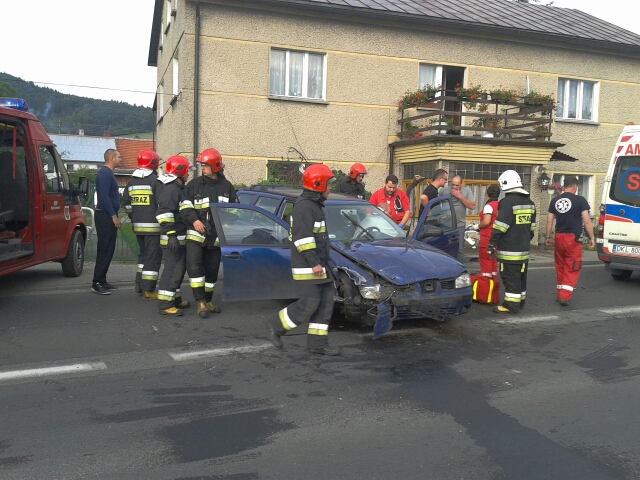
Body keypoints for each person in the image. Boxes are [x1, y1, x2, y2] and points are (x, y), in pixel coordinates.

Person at [266, 164, 339, 355]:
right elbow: (303, 239)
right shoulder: (305, 207)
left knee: (324, 306)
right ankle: (276, 325)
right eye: (328, 184)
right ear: (318, 184)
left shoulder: (314, 205)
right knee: (309, 304)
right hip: (309, 267)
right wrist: (314, 263)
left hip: (320, 266)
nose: (330, 187)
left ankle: (317, 345)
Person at [180, 147, 238, 318]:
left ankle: (208, 301)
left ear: (215, 166)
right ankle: (200, 302)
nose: (202, 168)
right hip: (196, 234)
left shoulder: (227, 186)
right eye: (201, 165)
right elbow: (184, 206)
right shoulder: (194, 185)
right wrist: (195, 220)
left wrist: (226, 224)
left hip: (216, 237)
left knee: (212, 271)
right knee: (195, 267)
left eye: (205, 165)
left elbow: (235, 210)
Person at [488, 170, 536, 314]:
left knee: (509, 277)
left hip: (509, 250)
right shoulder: (530, 203)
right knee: (521, 277)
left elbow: (499, 227)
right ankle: (519, 302)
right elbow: (532, 229)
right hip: (523, 250)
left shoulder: (506, 203)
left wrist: (491, 244)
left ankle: (510, 305)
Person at [545, 176, 595, 306]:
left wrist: (548, 237)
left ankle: (560, 292)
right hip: (572, 238)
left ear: (563, 186)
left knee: (560, 265)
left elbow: (549, 220)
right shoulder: (580, 200)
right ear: (575, 186)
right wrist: (592, 237)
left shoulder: (555, 200)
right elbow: (586, 220)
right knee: (572, 265)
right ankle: (564, 296)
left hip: (559, 236)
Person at [122, 150, 162, 299]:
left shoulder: (132, 182)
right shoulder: (155, 181)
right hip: (154, 229)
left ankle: (139, 284)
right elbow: (161, 203)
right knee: (152, 259)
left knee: (143, 257)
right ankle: (149, 290)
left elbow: (125, 204)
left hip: (138, 227)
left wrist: (134, 217)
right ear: (153, 163)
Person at [156, 155, 191, 316]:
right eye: (187, 171)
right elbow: (164, 213)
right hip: (173, 239)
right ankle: (165, 304)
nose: (189, 174)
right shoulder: (171, 189)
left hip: (178, 238)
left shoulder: (177, 188)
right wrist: (171, 235)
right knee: (172, 270)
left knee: (178, 270)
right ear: (180, 171)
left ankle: (175, 300)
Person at [91, 149, 122, 295]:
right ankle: (96, 282)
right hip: (104, 216)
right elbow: (104, 197)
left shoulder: (109, 173)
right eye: (119, 157)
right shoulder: (104, 173)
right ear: (111, 158)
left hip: (107, 215)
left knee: (109, 249)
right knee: (104, 249)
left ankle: (102, 280)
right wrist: (113, 215)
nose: (120, 159)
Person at [441, 175, 476, 262]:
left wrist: (460, 196)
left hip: (459, 225)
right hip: (446, 225)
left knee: (459, 249)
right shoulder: (443, 191)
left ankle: (460, 271)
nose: (454, 187)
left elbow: (472, 206)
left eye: (457, 185)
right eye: (453, 184)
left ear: (461, 184)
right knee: (445, 249)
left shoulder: (466, 190)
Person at [477, 184, 501, 280]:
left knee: (485, 260)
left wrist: (477, 226)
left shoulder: (489, 206)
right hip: (497, 237)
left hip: (487, 237)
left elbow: (486, 221)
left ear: (487, 194)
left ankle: (486, 286)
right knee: (493, 260)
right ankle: (494, 285)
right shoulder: (500, 205)